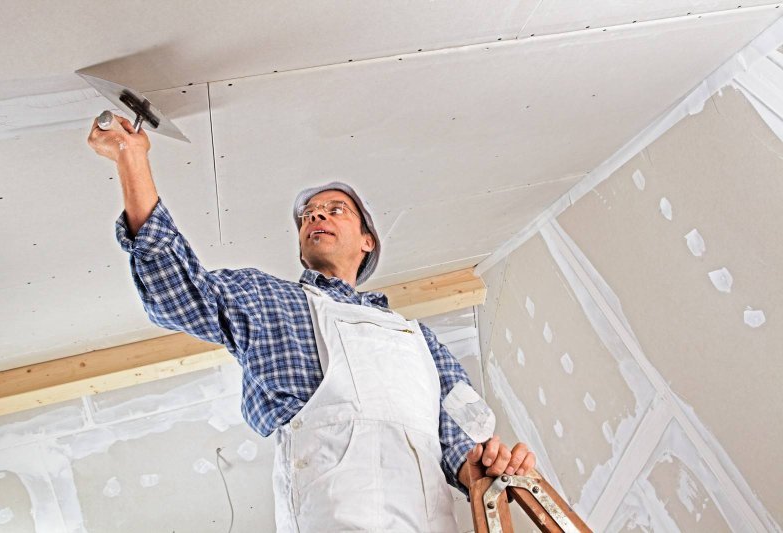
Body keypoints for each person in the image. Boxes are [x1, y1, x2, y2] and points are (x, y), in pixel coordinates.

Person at [87, 114, 536, 532]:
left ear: (367, 241)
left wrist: (493, 462)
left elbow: (463, 442)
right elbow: (177, 292)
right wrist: (132, 158)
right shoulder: (272, 301)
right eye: (308, 215)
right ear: (303, 249)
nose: (316, 215)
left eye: (335, 208)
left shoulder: (422, 342)